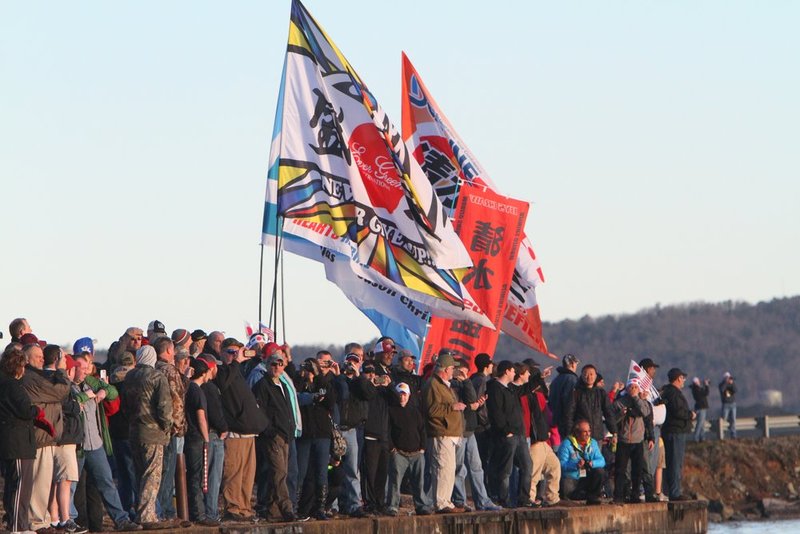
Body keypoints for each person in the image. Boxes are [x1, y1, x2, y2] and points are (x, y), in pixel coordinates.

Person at [72, 351, 140, 531]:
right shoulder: (67, 386)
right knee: (70, 487)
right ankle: (68, 522)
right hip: (76, 446)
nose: (85, 372)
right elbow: (71, 402)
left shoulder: (90, 382)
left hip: (96, 444)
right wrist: (87, 396)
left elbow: (112, 391)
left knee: (107, 483)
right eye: (81, 368)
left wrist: (103, 390)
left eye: (87, 368)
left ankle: (121, 520)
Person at [214, 338, 268, 521]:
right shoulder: (221, 370)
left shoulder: (239, 370)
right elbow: (223, 383)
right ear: (221, 352)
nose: (234, 356)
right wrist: (235, 362)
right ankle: (233, 508)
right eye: (230, 352)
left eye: (236, 352)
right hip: (234, 432)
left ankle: (245, 508)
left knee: (247, 474)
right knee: (234, 473)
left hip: (249, 431)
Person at [21, 342, 71, 532]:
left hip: (46, 437)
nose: (42, 359)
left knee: (44, 481)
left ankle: (41, 519)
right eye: (37, 356)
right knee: (39, 483)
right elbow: (60, 391)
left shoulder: (35, 376)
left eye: (42, 355)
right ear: (26, 359)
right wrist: (61, 370)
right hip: (40, 437)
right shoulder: (31, 378)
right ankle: (37, 521)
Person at [123, 345, 173, 529]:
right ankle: (147, 515)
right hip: (153, 432)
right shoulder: (157, 377)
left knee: (139, 474)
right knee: (152, 475)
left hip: (134, 431)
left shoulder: (129, 377)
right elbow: (164, 406)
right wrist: (167, 425)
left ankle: (139, 512)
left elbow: (125, 406)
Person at [252, 353, 297, 523]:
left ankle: (272, 511)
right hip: (273, 436)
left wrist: (290, 429)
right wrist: (270, 431)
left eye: (280, 364)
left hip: (285, 435)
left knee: (279, 473)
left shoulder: (283, 385)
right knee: (279, 472)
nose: (277, 367)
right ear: (267, 365)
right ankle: (287, 509)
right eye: (273, 364)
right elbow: (259, 411)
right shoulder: (262, 385)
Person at [0, 344, 39, 533]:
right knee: (19, 486)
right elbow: (25, 410)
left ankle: (21, 524)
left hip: (16, 442)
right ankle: (16, 526)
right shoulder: (12, 386)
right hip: (17, 443)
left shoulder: (6, 384)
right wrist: (36, 410)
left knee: (19, 485)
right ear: (18, 366)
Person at [451, 361, 498, 512]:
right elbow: (458, 406)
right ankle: (460, 501)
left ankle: (482, 501)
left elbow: (471, 400)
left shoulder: (467, 383)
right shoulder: (451, 385)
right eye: (460, 371)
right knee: (459, 468)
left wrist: (466, 382)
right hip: (458, 431)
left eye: (465, 371)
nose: (462, 374)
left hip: (470, 430)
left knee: (476, 467)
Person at [294, 354, 337, 520]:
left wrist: (318, 376)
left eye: (310, 369)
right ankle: (298, 507)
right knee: (301, 471)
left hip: (321, 434)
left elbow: (331, 401)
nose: (309, 372)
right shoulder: (299, 383)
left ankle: (320, 508)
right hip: (304, 434)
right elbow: (294, 397)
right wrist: (301, 376)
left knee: (322, 472)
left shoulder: (322, 384)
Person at [423, 351, 466, 513]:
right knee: (442, 468)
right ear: (445, 369)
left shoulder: (443, 385)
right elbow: (431, 410)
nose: (453, 371)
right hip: (441, 433)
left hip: (450, 434)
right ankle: (441, 503)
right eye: (452, 368)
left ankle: (447, 501)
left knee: (449, 469)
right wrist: (452, 407)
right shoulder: (433, 385)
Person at [332, 351, 373, 518]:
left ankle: (355, 504)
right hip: (336, 430)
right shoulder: (338, 380)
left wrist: (359, 377)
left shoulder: (359, 382)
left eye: (354, 362)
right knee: (333, 468)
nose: (351, 365)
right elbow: (339, 395)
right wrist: (341, 376)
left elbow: (369, 394)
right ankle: (332, 505)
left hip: (351, 431)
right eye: (349, 362)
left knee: (352, 470)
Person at [152, 337, 187, 522]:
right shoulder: (168, 370)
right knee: (167, 470)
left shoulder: (154, 369)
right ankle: (166, 511)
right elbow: (176, 400)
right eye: (172, 350)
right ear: (167, 351)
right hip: (170, 429)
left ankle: (161, 509)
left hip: (158, 428)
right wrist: (179, 426)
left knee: (161, 470)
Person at [486, 360, 528, 508]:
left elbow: (524, 390)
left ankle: (524, 498)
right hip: (508, 435)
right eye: (512, 371)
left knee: (526, 465)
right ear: (506, 371)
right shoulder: (495, 389)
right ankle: (503, 498)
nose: (514, 373)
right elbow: (496, 412)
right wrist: (506, 431)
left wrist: (539, 379)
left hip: (519, 434)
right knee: (506, 469)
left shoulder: (509, 388)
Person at [183, 358, 219, 526]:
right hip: (197, 437)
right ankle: (199, 514)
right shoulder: (196, 391)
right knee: (197, 476)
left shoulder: (187, 388)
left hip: (189, 436)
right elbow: (201, 417)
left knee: (193, 476)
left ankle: (193, 512)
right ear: (203, 373)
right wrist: (206, 438)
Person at [387, 382, 432, 516]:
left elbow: (422, 430)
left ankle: (421, 506)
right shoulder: (391, 410)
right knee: (395, 482)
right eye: (400, 394)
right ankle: (393, 506)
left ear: (409, 396)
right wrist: (392, 449)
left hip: (416, 453)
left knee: (419, 482)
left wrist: (423, 448)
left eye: (404, 394)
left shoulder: (415, 411)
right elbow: (387, 431)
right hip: (399, 453)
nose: (402, 397)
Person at [611, 381, 654, 504]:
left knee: (637, 470)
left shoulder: (642, 401)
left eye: (635, 387)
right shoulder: (621, 402)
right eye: (631, 387)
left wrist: (636, 397)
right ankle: (618, 496)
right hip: (623, 440)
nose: (633, 389)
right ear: (627, 388)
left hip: (638, 440)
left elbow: (646, 413)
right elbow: (612, 418)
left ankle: (636, 495)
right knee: (620, 470)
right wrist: (621, 414)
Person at [526, 365, 562, 507]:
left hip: (543, 439)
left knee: (554, 466)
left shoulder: (538, 395)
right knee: (533, 474)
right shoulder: (527, 395)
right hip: (535, 440)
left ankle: (552, 497)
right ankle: (529, 499)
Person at [196, 354, 226, 522]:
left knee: (205, 477)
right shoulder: (209, 388)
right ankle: (211, 513)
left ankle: (206, 512)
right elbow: (214, 412)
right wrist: (224, 427)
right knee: (213, 478)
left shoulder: (197, 387)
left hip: (205, 435)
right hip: (213, 435)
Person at [661, 368, 694, 501]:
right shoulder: (674, 394)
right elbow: (678, 412)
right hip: (675, 432)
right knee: (675, 463)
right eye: (683, 378)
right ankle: (674, 493)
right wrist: (690, 415)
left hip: (672, 431)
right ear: (678, 378)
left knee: (672, 463)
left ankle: (671, 491)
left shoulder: (668, 392)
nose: (684, 380)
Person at [564, 364, 617, 442]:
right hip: (581, 436)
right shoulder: (576, 393)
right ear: (582, 376)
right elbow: (569, 415)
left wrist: (614, 432)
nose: (589, 377)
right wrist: (570, 434)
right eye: (586, 374)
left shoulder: (600, 393)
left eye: (591, 374)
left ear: (595, 376)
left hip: (597, 436)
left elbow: (608, 412)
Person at [557, 419, 606, 505]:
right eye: (585, 432)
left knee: (600, 472)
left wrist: (592, 463)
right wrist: (575, 465)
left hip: (586, 478)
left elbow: (602, 461)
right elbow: (561, 464)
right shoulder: (566, 444)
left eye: (589, 431)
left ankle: (592, 497)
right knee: (568, 489)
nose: (588, 434)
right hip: (572, 478)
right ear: (577, 432)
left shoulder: (593, 443)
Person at [548, 354, 580, 438]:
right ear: (572, 364)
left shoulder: (555, 380)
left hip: (555, 422)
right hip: (568, 423)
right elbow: (570, 403)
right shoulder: (573, 380)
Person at [690, 377, 710, 442]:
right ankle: (696, 438)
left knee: (701, 424)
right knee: (700, 423)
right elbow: (705, 393)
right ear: (696, 382)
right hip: (701, 408)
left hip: (700, 407)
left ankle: (702, 437)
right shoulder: (697, 389)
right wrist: (706, 385)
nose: (699, 382)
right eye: (698, 381)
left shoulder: (695, 389)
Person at [719, 372, 737, 439]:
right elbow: (722, 390)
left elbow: (735, 390)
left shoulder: (731, 384)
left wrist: (732, 383)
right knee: (724, 419)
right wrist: (726, 382)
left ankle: (733, 435)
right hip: (725, 404)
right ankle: (722, 433)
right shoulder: (721, 384)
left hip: (733, 404)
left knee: (733, 420)